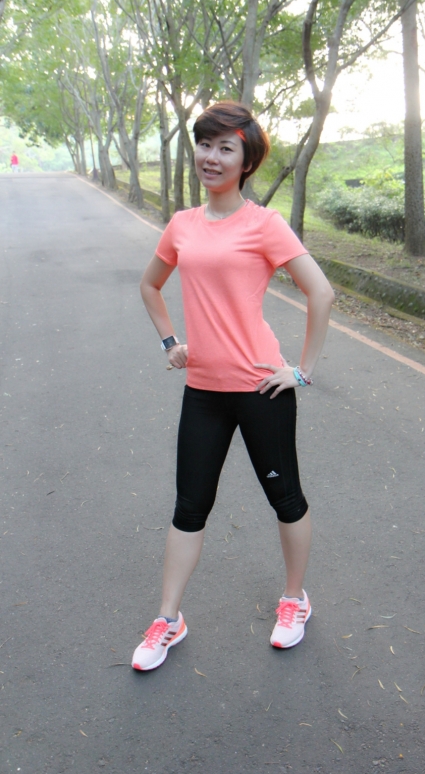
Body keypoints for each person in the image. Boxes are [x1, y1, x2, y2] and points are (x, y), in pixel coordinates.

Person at [132, 101, 334, 672]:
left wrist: (301, 370)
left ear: (247, 162)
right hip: (203, 390)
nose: (211, 157)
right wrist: (170, 342)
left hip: (261, 390)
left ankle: (294, 600)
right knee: (189, 506)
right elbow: (150, 286)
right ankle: (168, 618)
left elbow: (321, 293)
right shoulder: (182, 224)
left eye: (226, 148)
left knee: (285, 498)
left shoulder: (264, 224)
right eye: (205, 144)